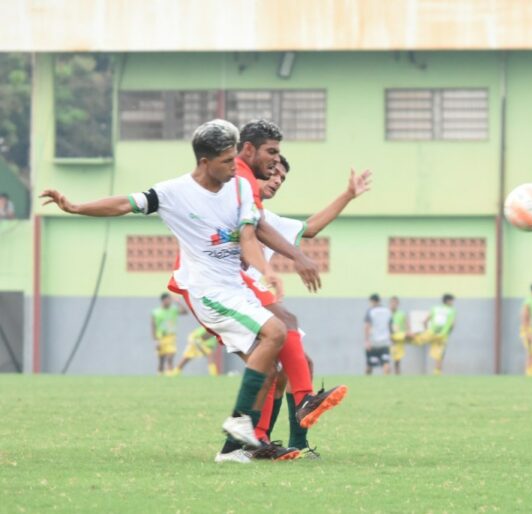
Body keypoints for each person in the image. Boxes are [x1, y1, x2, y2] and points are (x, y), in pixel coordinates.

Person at [40, 119, 334, 464]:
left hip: (235, 288)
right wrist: (75, 207)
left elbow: (250, 236)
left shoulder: (240, 188)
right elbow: (124, 204)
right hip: (206, 290)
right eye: (227, 161)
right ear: (204, 161)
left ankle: (237, 446)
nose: (233, 166)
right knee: (276, 331)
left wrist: (269, 269)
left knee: (270, 366)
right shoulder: (173, 192)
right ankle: (242, 429)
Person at [232, 122, 353, 458]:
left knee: (293, 365)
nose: (276, 179)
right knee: (276, 358)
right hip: (231, 294)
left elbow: (310, 228)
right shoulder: (230, 198)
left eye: (282, 178)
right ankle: (264, 435)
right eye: (273, 170)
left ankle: (284, 440)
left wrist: (348, 194)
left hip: (254, 295)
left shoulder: (267, 218)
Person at [413, 294, 457, 375]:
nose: (453, 303)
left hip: (431, 333)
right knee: (439, 355)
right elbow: (452, 325)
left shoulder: (435, 308)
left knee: (415, 340)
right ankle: (437, 373)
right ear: (448, 301)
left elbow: (425, 321)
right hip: (442, 336)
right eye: (452, 301)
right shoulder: (452, 310)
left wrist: (426, 331)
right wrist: (448, 332)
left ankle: (407, 337)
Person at [151, 292, 187, 374]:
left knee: (170, 357)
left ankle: (170, 376)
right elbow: (153, 327)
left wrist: (178, 302)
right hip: (160, 338)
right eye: (168, 299)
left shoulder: (173, 310)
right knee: (161, 360)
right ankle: (160, 376)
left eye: (170, 299)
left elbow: (185, 312)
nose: (170, 301)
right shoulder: (156, 312)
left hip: (171, 337)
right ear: (163, 300)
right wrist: (155, 340)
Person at [364, 294, 393, 375]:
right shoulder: (388, 311)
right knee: (386, 362)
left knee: (369, 364)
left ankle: (367, 381)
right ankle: (386, 382)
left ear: (372, 301)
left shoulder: (371, 311)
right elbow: (390, 326)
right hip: (385, 341)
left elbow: (367, 326)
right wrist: (391, 338)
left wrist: (366, 340)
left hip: (373, 341)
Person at [389, 296, 409, 375]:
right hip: (388, 338)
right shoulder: (387, 313)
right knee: (387, 359)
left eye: (395, 303)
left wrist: (407, 333)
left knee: (397, 359)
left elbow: (407, 325)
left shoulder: (401, 314)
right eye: (392, 302)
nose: (393, 304)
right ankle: (386, 376)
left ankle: (397, 375)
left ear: (398, 304)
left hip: (399, 339)